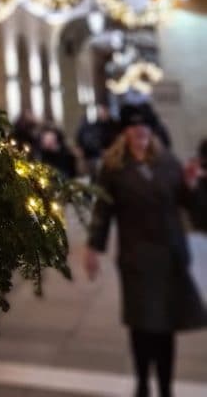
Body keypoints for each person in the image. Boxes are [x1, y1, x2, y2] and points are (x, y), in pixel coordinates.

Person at [85, 104, 207, 397]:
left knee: (166, 328)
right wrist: (93, 247)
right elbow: (102, 211)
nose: (140, 133)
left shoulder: (168, 163)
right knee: (141, 327)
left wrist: (193, 185)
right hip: (136, 258)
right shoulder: (113, 169)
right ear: (125, 132)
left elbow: (195, 211)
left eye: (145, 128)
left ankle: (165, 388)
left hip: (170, 256)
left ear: (152, 131)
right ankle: (142, 383)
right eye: (134, 127)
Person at [76, 103, 117, 181]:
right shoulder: (90, 125)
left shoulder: (112, 125)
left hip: (108, 155)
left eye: (105, 112)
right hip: (92, 156)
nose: (103, 114)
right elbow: (84, 139)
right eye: (101, 112)